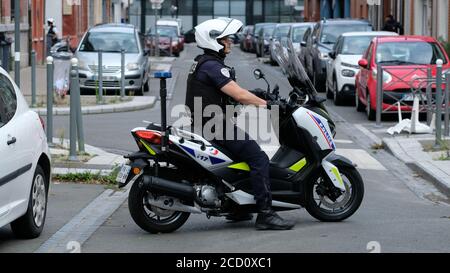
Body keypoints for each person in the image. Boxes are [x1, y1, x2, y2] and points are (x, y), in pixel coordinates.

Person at [185, 17, 295, 231]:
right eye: (227, 39)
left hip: (207, 123)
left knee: (237, 161)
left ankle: (238, 207)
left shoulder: (205, 63)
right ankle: (265, 214)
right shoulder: (212, 66)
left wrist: (257, 93)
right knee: (259, 158)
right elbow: (239, 95)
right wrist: (268, 105)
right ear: (214, 40)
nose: (231, 43)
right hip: (216, 125)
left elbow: (229, 91)